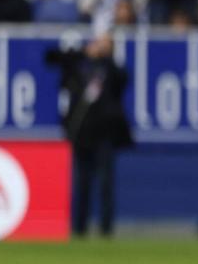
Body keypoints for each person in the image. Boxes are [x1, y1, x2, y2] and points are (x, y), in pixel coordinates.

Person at [44, 34, 133, 237]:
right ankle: (79, 227)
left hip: (105, 133)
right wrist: (84, 52)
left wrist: (107, 57)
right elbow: (50, 57)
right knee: (81, 182)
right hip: (81, 132)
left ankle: (106, 229)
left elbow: (123, 79)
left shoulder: (110, 69)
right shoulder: (78, 64)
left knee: (105, 183)